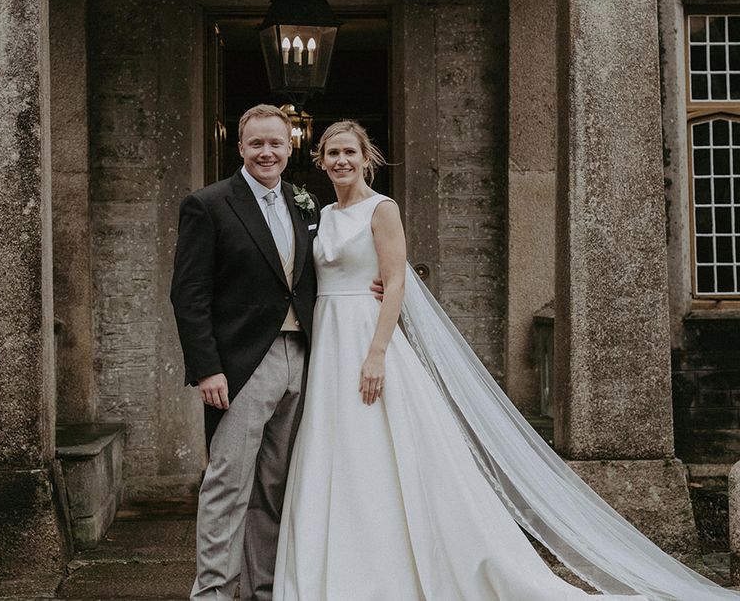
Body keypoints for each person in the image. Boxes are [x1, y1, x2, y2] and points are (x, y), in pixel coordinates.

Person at [272, 120, 739, 600]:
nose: (341, 161)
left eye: (349, 151)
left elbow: (395, 283)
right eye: (332, 153)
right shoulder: (321, 214)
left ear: (366, 157)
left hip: (367, 340)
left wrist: (376, 354)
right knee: (334, 449)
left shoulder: (382, 210)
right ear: (321, 160)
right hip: (327, 342)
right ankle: (337, 566)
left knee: (380, 450)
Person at [170, 104, 320, 601]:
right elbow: (188, 293)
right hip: (242, 364)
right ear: (240, 148)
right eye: (256, 143)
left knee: (274, 485)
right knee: (228, 483)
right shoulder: (208, 204)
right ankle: (212, 592)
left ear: (289, 145)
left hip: (301, 357)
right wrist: (208, 369)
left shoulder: (304, 204)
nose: (267, 152)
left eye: (276, 143)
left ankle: (264, 589)